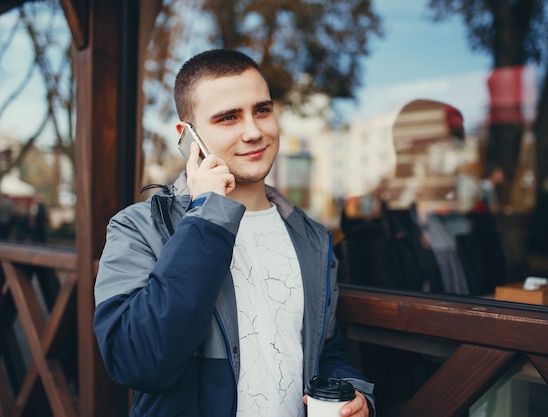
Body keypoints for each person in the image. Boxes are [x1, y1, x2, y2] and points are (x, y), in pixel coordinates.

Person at [93, 49, 374, 417]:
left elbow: (325, 349)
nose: (254, 131)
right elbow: (137, 360)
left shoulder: (312, 236)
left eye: (262, 110)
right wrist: (207, 216)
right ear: (188, 136)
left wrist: (354, 394)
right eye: (228, 117)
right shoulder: (137, 228)